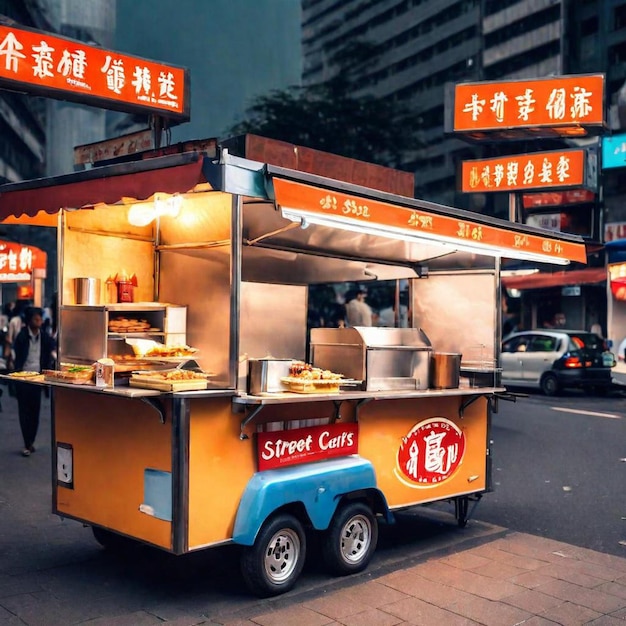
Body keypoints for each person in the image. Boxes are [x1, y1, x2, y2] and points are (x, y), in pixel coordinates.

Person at [13, 306, 56, 457]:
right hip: (23, 378)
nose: (39, 321)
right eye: (36, 319)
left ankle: (30, 440)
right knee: (24, 413)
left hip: (37, 379)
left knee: (35, 412)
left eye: (40, 318)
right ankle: (27, 443)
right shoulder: (22, 337)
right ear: (29, 321)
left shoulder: (44, 337)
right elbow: (16, 357)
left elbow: (53, 347)